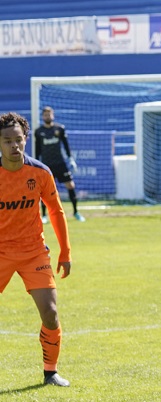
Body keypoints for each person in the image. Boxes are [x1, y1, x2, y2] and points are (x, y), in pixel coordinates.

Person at [0, 112, 72, 387]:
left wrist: (65, 252)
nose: (14, 146)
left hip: (33, 252)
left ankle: (50, 372)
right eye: (7, 141)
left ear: (26, 139)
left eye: (19, 140)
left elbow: (55, 210)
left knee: (51, 313)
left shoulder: (40, 173)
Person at [34, 106, 84, 223]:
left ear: (53, 115)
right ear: (42, 117)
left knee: (70, 185)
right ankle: (45, 216)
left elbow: (66, 145)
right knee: (43, 190)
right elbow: (38, 149)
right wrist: (37, 164)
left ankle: (76, 212)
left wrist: (70, 159)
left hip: (60, 163)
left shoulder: (59, 129)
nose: (47, 117)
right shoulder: (38, 132)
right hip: (46, 165)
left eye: (49, 114)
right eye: (45, 115)